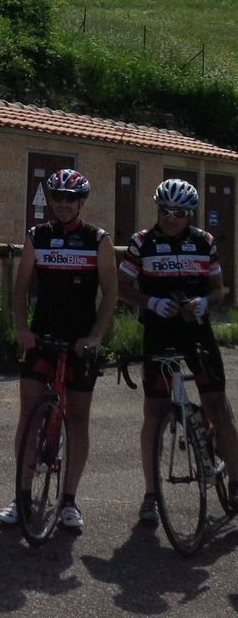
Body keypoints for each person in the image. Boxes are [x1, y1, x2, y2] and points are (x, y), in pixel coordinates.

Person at [0, 168, 118, 533]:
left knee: (77, 419)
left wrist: (96, 337)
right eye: (58, 197)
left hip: (80, 341)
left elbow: (110, 293)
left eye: (70, 198)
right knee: (29, 415)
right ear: (50, 199)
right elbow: (21, 288)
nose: (63, 203)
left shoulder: (98, 239)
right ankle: (21, 495)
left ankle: (69, 500)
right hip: (42, 338)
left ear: (81, 202)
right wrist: (22, 329)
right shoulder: (38, 236)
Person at [118, 177, 238, 523]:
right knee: (154, 413)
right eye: (165, 211)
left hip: (196, 332)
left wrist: (204, 303)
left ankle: (236, 481)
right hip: (158, 333)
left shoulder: (204, 242)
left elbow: (218, 290)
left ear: (190, 215)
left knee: (218, 406)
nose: (171, 218)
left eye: (179, 213)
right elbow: (123, 287)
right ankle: (151, 494)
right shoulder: (141, 243)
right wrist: (150, 302)